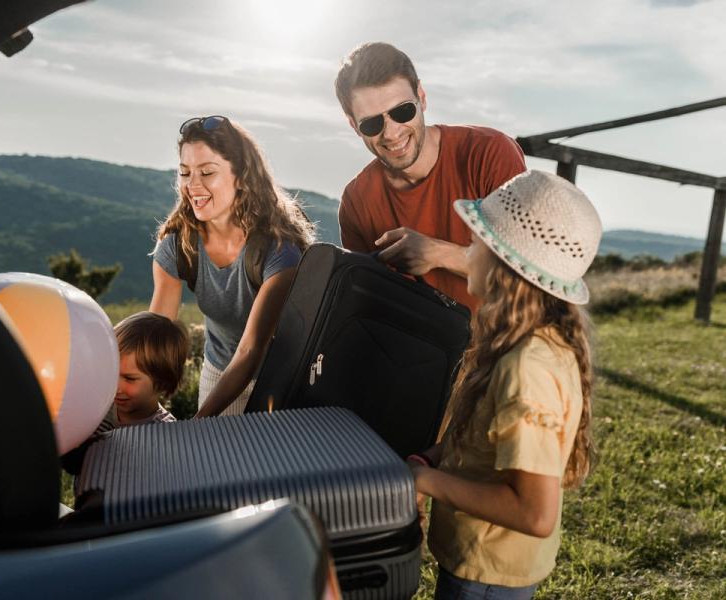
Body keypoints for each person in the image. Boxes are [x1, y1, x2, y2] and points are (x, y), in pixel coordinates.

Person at [406, 170, 601, 599]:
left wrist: (426, 484)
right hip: (479, 564)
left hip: (486, 577)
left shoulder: (526, 368)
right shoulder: (529, 341)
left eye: (477, 242)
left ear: (502, 266)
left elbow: (534, 513)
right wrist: (430, 459)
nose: (467, 251)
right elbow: (480, 437)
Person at [334, 42, 527, 311]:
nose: (391, 133)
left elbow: (528, 272)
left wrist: (436, 253)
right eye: (372, 123)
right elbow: (368, 305)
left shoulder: (490, 152)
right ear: (354, 125)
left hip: (503, 347)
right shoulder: (356, 201)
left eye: (403, 111)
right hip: (417, 351)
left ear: (421, 97)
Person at [150, 116, 314, 417]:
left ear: (241, 176)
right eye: (185, 173)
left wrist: (199, 423)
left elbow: (252, 350)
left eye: (207, 172)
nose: (192, 185)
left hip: (281, 381)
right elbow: (154, 336)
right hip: (218, 372)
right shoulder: (179, 246)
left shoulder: (279, 251)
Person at [60, 311, 188, 475]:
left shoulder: (165, 435)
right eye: (112, 371)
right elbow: (75, 465)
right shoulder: (98, 411)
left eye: (129, 379)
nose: (116, 387)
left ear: (163, 383)